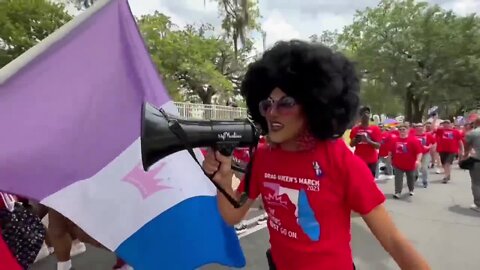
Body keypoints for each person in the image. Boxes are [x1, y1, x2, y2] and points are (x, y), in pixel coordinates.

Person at [202, 40, 430, 270]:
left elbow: (393, 240)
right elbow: (232, 215)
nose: (272, 113)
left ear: (313, 105)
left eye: (286, 103)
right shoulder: (263, 156)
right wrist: (224, 177)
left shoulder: (341, 161)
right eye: (266, 104)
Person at [388, 123, 423, 198]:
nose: (401, 131)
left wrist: (418, 160)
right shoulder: (395, 140)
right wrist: (389, 159)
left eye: (403, 129)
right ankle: (397, 192)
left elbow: (419, 152)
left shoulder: (413, 140)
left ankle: (411, 189)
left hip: (410, 164)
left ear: (407, 130)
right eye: (400, 130)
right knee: (398, 178)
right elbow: (390, 151)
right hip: (398, 163)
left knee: (410, 178)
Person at [350, 106, 382, 178]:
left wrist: (368, 141)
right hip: (358, 160)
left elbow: (378, 146)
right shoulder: (355, 129)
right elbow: (351, 144)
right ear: (360, 116)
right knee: (359, 181)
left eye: (367, 113)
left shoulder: (375, 129)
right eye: (363, 113)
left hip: (372, 161)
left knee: (370, 182)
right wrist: (356, 140)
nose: (366, 115)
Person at [462, 117, 480, 212]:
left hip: (477, 160)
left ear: (476, 123)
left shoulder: (472, 133)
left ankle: (478, 204)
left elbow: (466, 146)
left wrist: (465, 156)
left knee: (476, 183)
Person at [413, 123, 436, 188]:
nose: (419, 127)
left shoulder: (427, 135)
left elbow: (433, 143)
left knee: (424, 168)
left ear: (423, 127)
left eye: (420, 126)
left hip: (425, 153)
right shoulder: (412, 135)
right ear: (415, 128)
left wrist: (428, 147)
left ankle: (424, 180)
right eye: (417, 126)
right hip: (415, 154)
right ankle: (416, 175)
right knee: (416, 167)